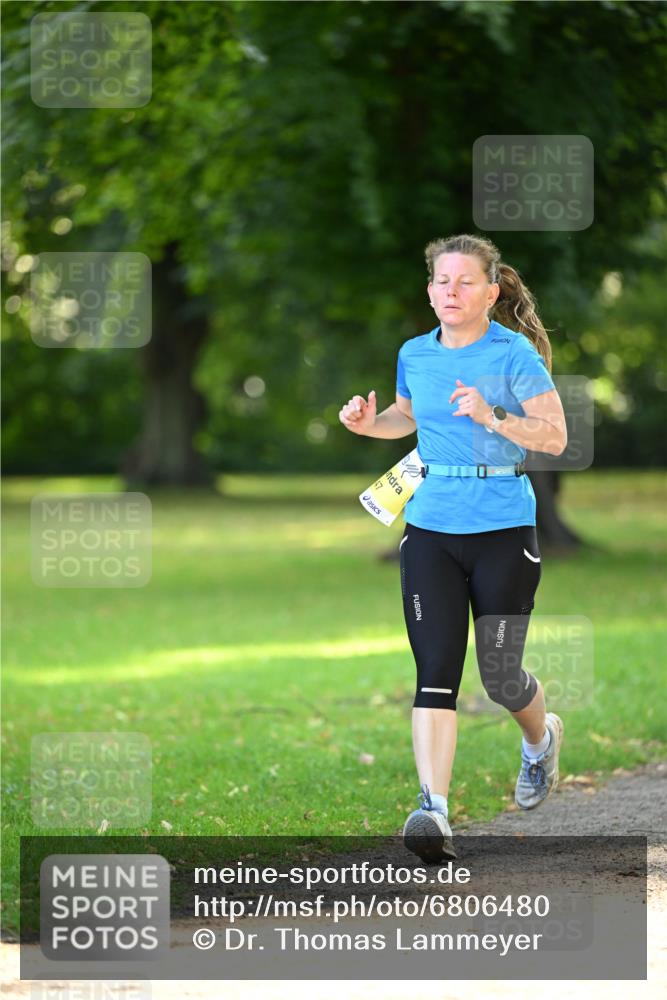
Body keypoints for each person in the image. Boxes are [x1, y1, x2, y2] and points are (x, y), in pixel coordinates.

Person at [338, 234, 568, 863]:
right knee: (435, 673)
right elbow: (406, 419)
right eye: (441, 281)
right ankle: (433, 812)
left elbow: (553, 437)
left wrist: (494, 415)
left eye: (465, 282)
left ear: (492, 292)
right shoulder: (415, 353)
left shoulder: (514, 354)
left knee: (498, 676)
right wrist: (369, 424)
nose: (450, 292)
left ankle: (539, 739)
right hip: (431, 527)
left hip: (501, 526)